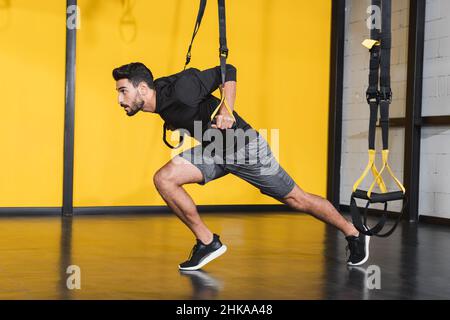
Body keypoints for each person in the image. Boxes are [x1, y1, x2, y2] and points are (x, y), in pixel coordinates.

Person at [112, 62, 370, 270]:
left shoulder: (181, 89)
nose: (120, 99)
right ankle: (208, 242)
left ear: (143, 89)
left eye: (123, 91)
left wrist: (227, 109)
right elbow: (185, 110)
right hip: (214, 149)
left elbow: (229, 70)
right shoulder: (160, 97)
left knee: (296, 199)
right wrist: (176, 122)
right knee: (164, 179)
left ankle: (353, 232)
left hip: (244, 148)